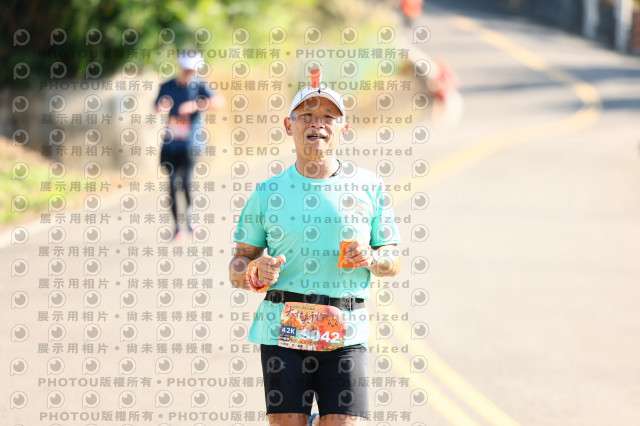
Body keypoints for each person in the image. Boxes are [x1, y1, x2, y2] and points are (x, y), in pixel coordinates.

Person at [229, 72, 402, 426]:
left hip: (345, 330)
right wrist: (253, 271)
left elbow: (393, 258)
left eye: (328, 117)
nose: (316, 124)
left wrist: (372, 258)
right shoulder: (267, 192)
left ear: (343, 129)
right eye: (306, 115)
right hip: (282, 330)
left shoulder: (369, 185)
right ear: (288, 126)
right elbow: (238, 263)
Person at [155, 49, 225, 240]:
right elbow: (156, 106)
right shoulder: (168, 86)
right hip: (170, 144)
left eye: (192, 69)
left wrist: (195, 105)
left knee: (186, 182)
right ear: (180, 66)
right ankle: (176, 227)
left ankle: (190, 220)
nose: (189, 72)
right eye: (186, 68)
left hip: (191, 144)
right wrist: (161, 107)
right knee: (171, 185)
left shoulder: (199, 86)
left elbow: (219, 102)